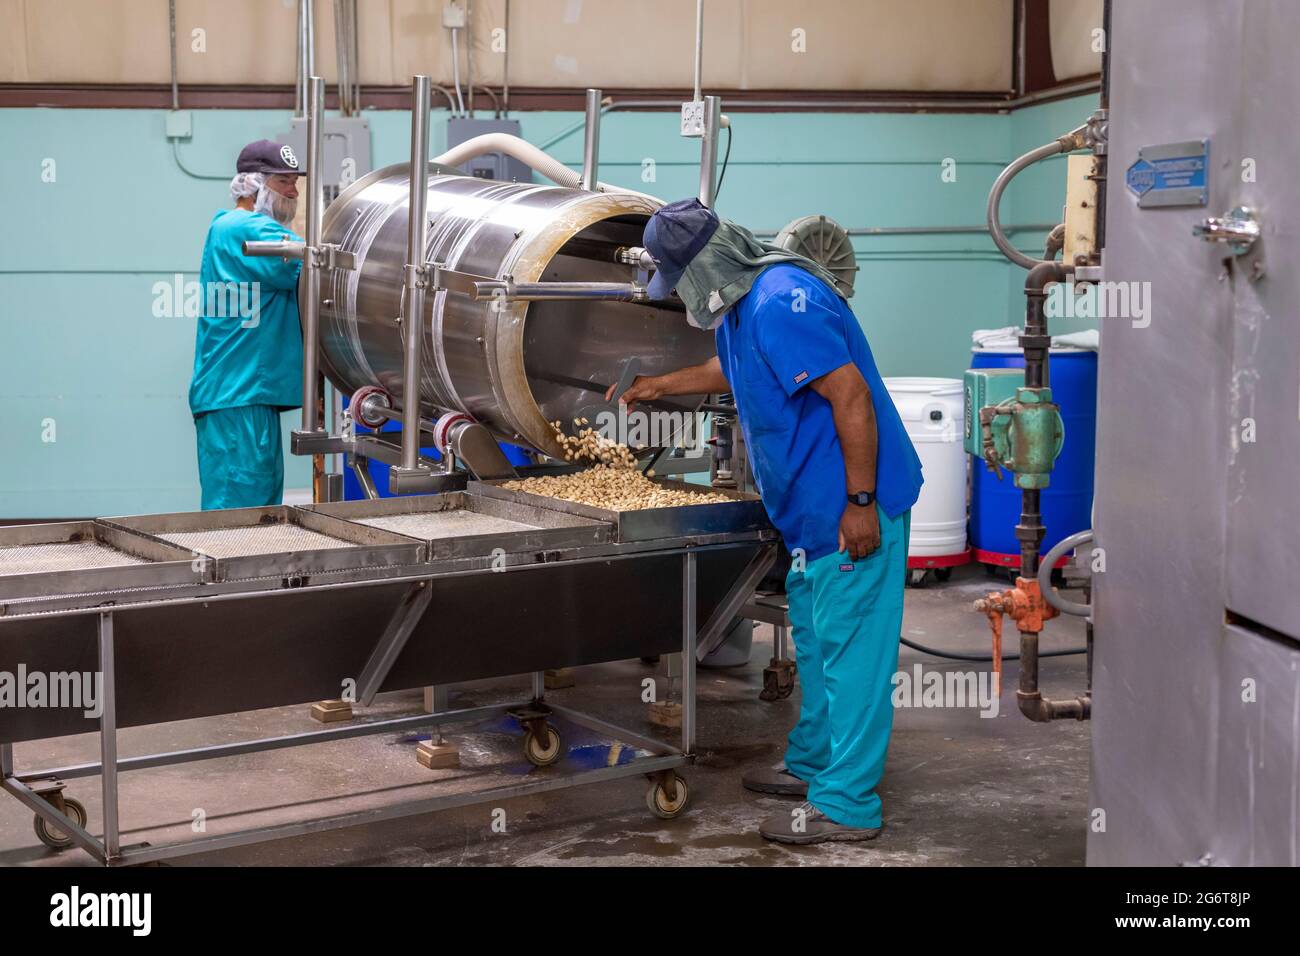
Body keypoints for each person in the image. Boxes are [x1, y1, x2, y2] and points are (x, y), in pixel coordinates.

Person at [611, 199, 923, 844]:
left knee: (853, 658)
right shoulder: (743, 307)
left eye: (680, 279)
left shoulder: (783, 299)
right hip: (808, 517)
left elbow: (851, 396)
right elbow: (739, 368)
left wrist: (860, 505)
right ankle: (814, 763)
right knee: (815, 643)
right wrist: (659, 386)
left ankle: (847, 804)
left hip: (850, 511)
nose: (682, 295)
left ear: (706, 265)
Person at [188, 140, 306, 510]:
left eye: (294, 182)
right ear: (255, 184)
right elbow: (316, 264)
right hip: (238, 395)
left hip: (248, 396)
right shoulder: (242, 227)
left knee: (259, 511)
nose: (294, 191)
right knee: (237, 522)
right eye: (284, 182)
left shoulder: (236, 227)